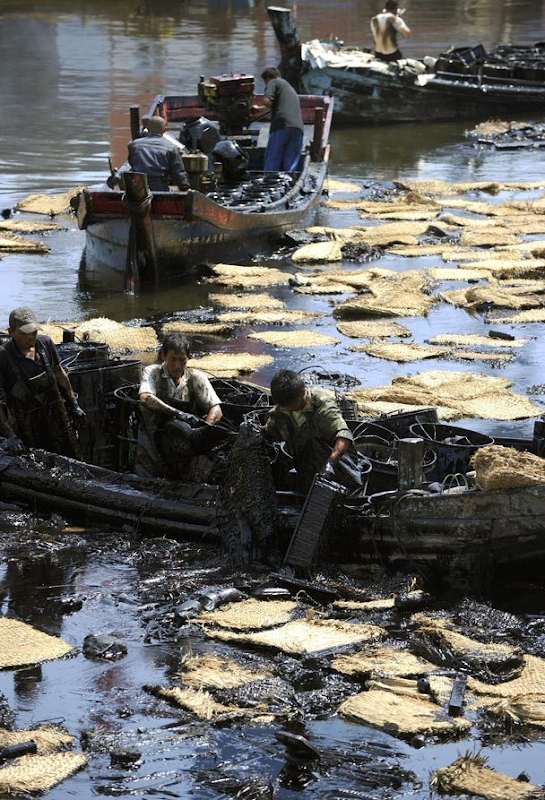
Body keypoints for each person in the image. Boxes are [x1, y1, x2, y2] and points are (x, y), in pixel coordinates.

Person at [0, 307, 85, 457]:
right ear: (11, 332)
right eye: (24, 333)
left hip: (56, 417)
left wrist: (74, 403)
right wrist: (9, 434)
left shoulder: (45, 344)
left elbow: (60, 374)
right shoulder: (4, 357)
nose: (30, 337)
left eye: (34, 331)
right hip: (26, 425)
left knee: (71, 457)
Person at [136, 333, 223, 478]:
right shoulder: (152, 373)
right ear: (163, 356)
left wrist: (203, 432)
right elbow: (145, 398)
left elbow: (216, 409)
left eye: (182, 360)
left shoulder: (196, 378)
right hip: (153, 447)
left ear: (188, 358)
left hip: (184, 448)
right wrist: (177, 413)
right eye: (172, 359)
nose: (177, 366)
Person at [264, 369, 362, 495]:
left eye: (291, 405)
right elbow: (270, 431)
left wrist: (330, 464)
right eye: (284, 406)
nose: (287, 409)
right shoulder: (280, 410)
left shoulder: (322, 405)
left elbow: (344, 435)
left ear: (302, 394)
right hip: (306, 466)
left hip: (336, 465)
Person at [250, 66, 304, 172]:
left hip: (282, 125)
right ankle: (290, 185)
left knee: (272, 161)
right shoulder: (288, 87)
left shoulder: (273, 82)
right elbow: (271, 110)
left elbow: (267, 101)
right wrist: (258, 110)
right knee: (290, 165)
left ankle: (268, 184)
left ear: (268, 78)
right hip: (298, 128)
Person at [128, 115, 190, 192]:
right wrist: (186, 188)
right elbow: (177, 172)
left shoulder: (134, 145)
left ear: (147, 128)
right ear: (165, 129)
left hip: (137, 187)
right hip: (159, 187)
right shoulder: (171, 147)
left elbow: (131, 163)